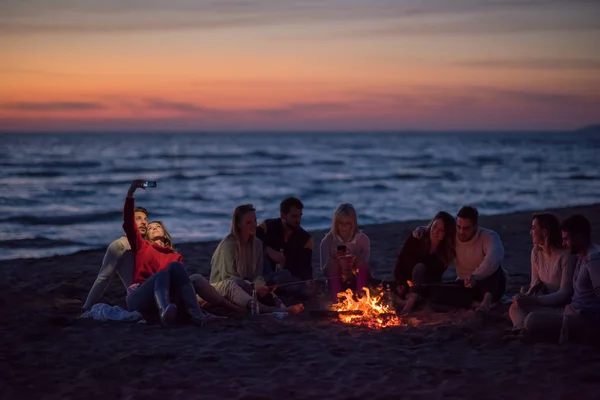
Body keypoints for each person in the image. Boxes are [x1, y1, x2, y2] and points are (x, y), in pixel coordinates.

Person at [123, 180, 236, 326]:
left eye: (157, 226)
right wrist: (131, 193)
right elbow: (128, 223)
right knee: (162, 274)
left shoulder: (174, 256)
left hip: (167, 298)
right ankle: (165, 313)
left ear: (164, 233)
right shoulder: (142, 246)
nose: (153, 228)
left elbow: (179, 285)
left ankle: (197, 314)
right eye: (150, 228)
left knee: (176, 268)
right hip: (140, 297)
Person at [210, 203, 305, 315]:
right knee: (238, 283)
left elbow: (257, 274)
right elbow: (229, 278)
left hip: (247, 286)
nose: (254, 225)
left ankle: (283, 307)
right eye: (248, 222)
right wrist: (252, 285)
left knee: (269, 285)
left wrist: (260, 285)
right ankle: (276, 310)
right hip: (225, 288)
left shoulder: (257, 244)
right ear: (239, 224)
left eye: (255, 221)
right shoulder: (229, 245)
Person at [413, 206, 506, 312]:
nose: (461, 232)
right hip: (466, 284)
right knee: (434, 291)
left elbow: (494, 257)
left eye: (466, 228)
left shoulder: (489, 237)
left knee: (494, 268)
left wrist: (475, 277)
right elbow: (437, 229)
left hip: (492, 286)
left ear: (476, 226)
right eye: (459, 227)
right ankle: (474, 304)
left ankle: (486, 303)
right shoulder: (455, 234)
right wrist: (421, 230)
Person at [524, 215, 600, 342]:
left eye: (566, 239)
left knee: (532, 320)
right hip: (570, 310)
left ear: (579, 237)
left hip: (584, 318)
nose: (563, 243)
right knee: (524, 308)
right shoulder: (581, 256)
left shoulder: (593, 260)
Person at [509, 213, 576, 332]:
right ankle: (519, 328)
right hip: (543, 301)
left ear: (545, 232)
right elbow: (534, 283)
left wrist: (535, 300)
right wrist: (527, 295)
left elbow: (565, 294)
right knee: (515, 307)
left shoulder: (566, 256)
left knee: (532, 319)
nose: (530, 232)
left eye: (534, 228)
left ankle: (525, 326)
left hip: (561, 306)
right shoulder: (536, 251)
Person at [82, 206, 148, 311]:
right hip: (140, 296)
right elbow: (103, 278)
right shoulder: (119, 245)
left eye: (146, 219)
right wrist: (87, 307)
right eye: (138, 219)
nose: (144, 222)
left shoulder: (148, 245)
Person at [394, 211, 456, 314]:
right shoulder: (418, 238)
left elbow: (433, 273)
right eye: (434, 227)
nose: (435, 231)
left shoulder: (445, 252)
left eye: (441, 230)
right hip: (408, 283)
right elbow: (402, 260)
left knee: (420, 269)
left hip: (427, 286)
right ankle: (408, 299)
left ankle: (409, 302)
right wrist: (401, 282)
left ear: (446, 234)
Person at [256, 197, 314, 299]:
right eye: (294, 216)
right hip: (264, 274)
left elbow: (306, 268)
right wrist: (268, 250)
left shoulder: (305, 239)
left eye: (300, 216)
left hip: (288, 280)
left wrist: (308, 280)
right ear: (283, 215)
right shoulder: (268, 227)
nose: (298, 221)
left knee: (303, 288)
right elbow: (252, 239)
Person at [320, 203, 371, 301]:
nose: (344, 227)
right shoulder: (327, 241)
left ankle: (360, 294)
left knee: (358, 260)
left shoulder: (362, 239)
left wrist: (352, 262)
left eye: (347, 224)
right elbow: (324, 270)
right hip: (336, 277)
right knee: (334, 264)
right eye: (340, 223)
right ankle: (337, 298)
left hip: (357, 276)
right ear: (336, 223)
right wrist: (335, 259)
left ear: (353, 223)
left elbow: (365, 265)